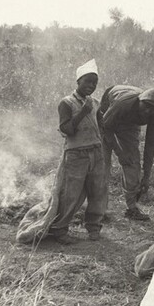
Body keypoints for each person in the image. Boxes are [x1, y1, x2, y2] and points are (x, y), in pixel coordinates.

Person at [46, 59, 108, 243]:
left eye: (94, 83)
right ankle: (59, 230)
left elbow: (101, 125)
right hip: (76, 154)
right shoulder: (66, 103)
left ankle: (94, 227)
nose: (91, 86)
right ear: (78, 82)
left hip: (96, 152)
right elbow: (67, 130)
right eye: (87, 81)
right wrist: (82, 112)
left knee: (98, 191)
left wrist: (101, 137)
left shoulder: (95, 103)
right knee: (70, 193)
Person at [98, 84, 154, 221]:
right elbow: (106, 128)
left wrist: (146, 176)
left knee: (133, 162)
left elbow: (151, 145)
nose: (147, 111)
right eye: (145, 106)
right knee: (103, 165)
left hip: (129, 124)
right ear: (140, 99)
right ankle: (99, 210)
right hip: (108, 118)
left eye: (152, 109)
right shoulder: (124, 103)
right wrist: (120, 153)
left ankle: (132, 208)